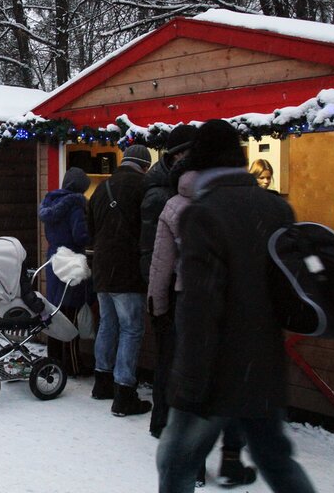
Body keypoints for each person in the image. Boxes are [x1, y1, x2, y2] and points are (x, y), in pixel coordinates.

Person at [156, 120, 316, 493]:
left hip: (214, 373)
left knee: (175, 464)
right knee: (277, 461)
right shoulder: (276, 208)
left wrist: (189, 385)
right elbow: (287, 295)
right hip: (263, 369)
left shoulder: (202, 214)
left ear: (201, 162)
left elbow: (199, 308)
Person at [138, 125, 198, 435]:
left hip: (175, 290)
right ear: (175, 156)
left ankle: (165, 420)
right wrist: (156, 298)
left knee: (173, 359)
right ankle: (164, 421)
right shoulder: (162, 195)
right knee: (170, 359)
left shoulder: (171, 192)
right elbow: (155, 253)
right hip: (171, 292)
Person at [87, 144, 152, 416]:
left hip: (102, 266)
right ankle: (124, 391)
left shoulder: (102, 188)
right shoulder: (144, 187)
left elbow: (91, 229)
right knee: (131, 329)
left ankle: (102, 382)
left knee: (107, 324)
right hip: (127, 268)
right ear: (144, 165)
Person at [38, 166, 91, 374]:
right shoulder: (76, 206)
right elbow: (80, 236)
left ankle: (54, 361)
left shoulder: (50, 202)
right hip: (72, 263)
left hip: (54, 260)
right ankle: (72, 365)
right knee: (70, 315)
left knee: (56, 314)